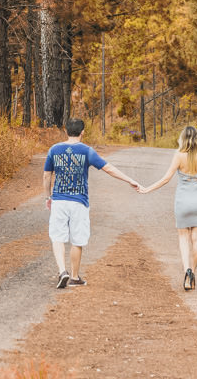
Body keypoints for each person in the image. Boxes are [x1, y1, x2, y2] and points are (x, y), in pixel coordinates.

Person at [44, 117, 141, 288]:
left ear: (66, 131)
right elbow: (108, 168)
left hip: (59, 200)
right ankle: (74, 277)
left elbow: (47, 175)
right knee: (77, 239)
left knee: (57, 237)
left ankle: (62, 271)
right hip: (79, 202)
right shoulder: (86, 151)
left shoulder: (54, 150)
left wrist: (48, 197)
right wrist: (129, 180)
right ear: (82, 132)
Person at [139, 125, 197, 290]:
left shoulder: (179, 156)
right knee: (196, 238)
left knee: (183, 238)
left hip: (183, 201)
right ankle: (193, 273)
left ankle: (187, 271)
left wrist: (147, 189)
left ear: (183, 139)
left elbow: (166, 179)